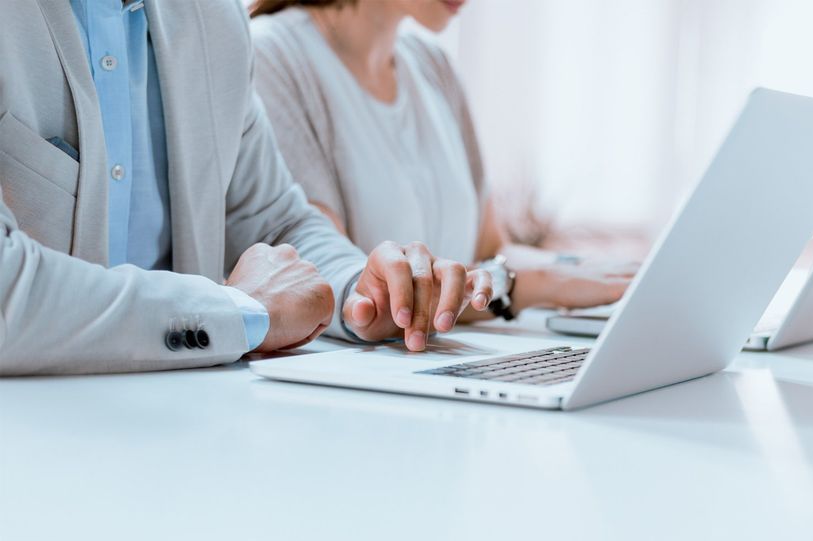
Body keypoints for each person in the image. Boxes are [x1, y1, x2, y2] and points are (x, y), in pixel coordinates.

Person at [0, 0, 493, 376]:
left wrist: (360, 289)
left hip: (191, 434)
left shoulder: (215, 19)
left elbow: (275, 219)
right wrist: (234, 311)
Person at [249, 0, 636, 326]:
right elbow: (338, 286)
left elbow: (491, 249)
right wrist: (521, 285)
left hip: (445, 367)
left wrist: (602, 273)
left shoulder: (432, 65)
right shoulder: (272, 57)